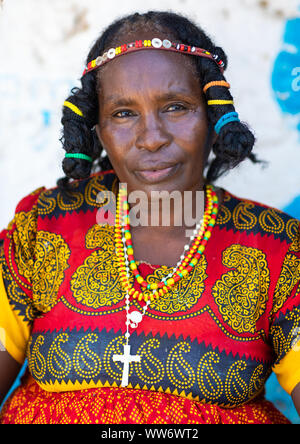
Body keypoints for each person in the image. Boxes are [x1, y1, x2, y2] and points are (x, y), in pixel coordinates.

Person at [0, 10, 299, 424]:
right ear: (98, 129)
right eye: (123, 113)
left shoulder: (277, 248)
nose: (152, 137)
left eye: (176, 107)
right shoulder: (44, 227)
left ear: (213, 116)